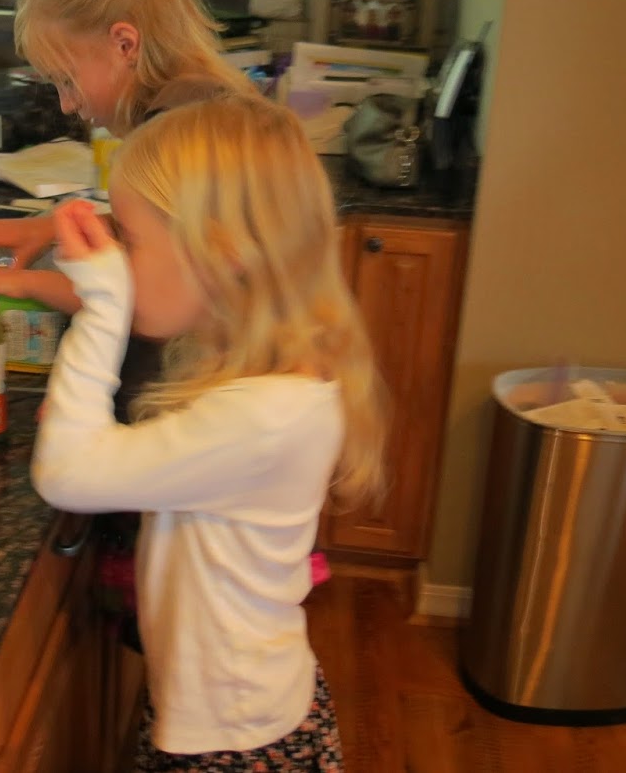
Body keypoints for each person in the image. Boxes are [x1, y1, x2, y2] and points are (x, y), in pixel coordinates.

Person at [32, 96, 387, 771]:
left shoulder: (266, 414)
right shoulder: (256, 372)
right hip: (227, 713)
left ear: (222, 255)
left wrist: (102, 304)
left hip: (235, 742)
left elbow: (66, 472)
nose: (120, 260)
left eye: (131, 240)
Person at [0, 0, 256, 315]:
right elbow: (165, 232)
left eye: (67, 80)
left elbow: (152, 301)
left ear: (124, 44)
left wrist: (26, 282)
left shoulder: (180, 133)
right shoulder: (201, 102)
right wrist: (48, 228)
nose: (65, 105)